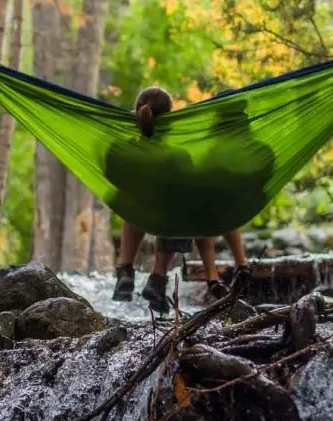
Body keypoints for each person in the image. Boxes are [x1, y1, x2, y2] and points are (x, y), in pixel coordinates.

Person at [107, 86, 250, 313]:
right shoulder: (178, 156)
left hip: (137, 215)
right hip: (169, 221)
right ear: (171, 120)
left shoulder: (120, 150)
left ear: (137, 114)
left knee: (133, 201)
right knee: (183, 202)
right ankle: (158, 276)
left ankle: (125, 269)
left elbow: (109, 178)